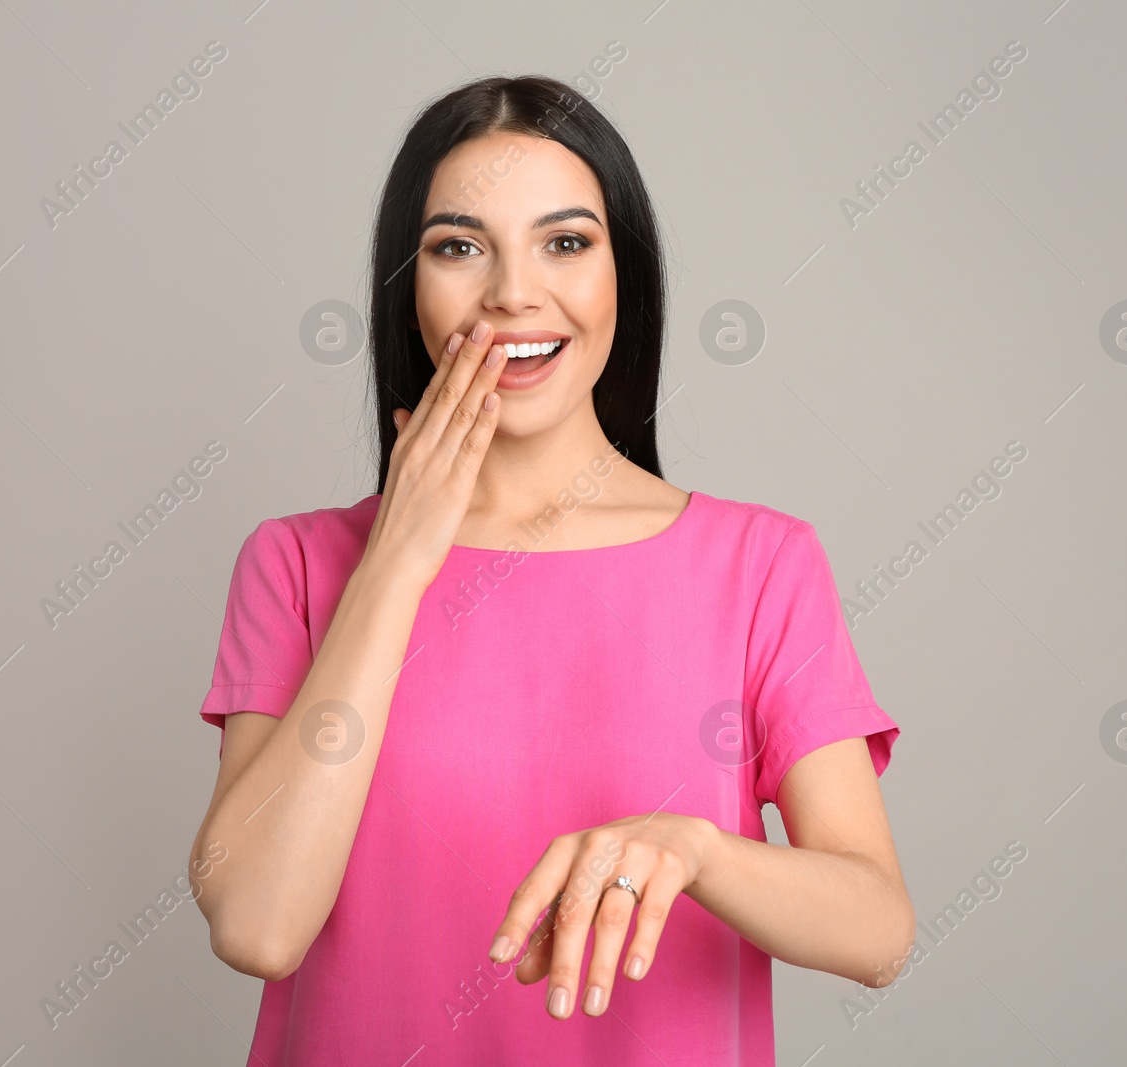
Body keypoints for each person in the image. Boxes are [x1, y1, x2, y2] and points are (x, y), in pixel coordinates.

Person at [188, 74, 910, 1065]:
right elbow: (257, 925)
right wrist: (397, 562)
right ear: (410, 292)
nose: (513, 292)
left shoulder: (759, 563)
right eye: (458, 246)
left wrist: (695, 850)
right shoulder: (302, 564)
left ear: (626, 279)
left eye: (565, 242)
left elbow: (876, 930)